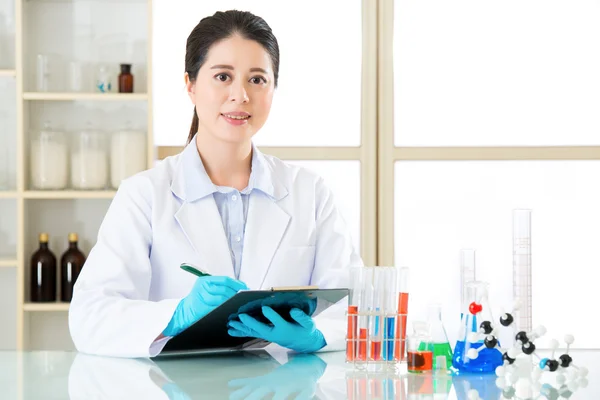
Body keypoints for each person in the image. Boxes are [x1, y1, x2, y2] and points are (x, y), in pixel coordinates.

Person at [68, 10, 363, 358]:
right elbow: (90, 317)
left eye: (257, 79)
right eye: (223, 76)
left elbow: (355, 308)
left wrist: (319, 336)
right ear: (191, 85)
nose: (240, 95)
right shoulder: (145, 195)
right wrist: (175, 316)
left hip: (281, 389)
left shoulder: (310, 193)